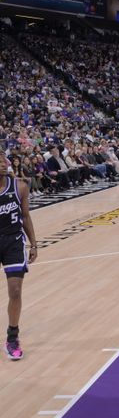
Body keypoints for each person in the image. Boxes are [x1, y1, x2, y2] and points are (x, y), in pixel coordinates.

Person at [0, 152, 37, 360]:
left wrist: (34, 244)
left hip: (13, 241)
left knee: (15, 291)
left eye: (3, 161)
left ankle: (12, 336)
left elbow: (25, 216)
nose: (3, 165)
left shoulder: (20, 186)